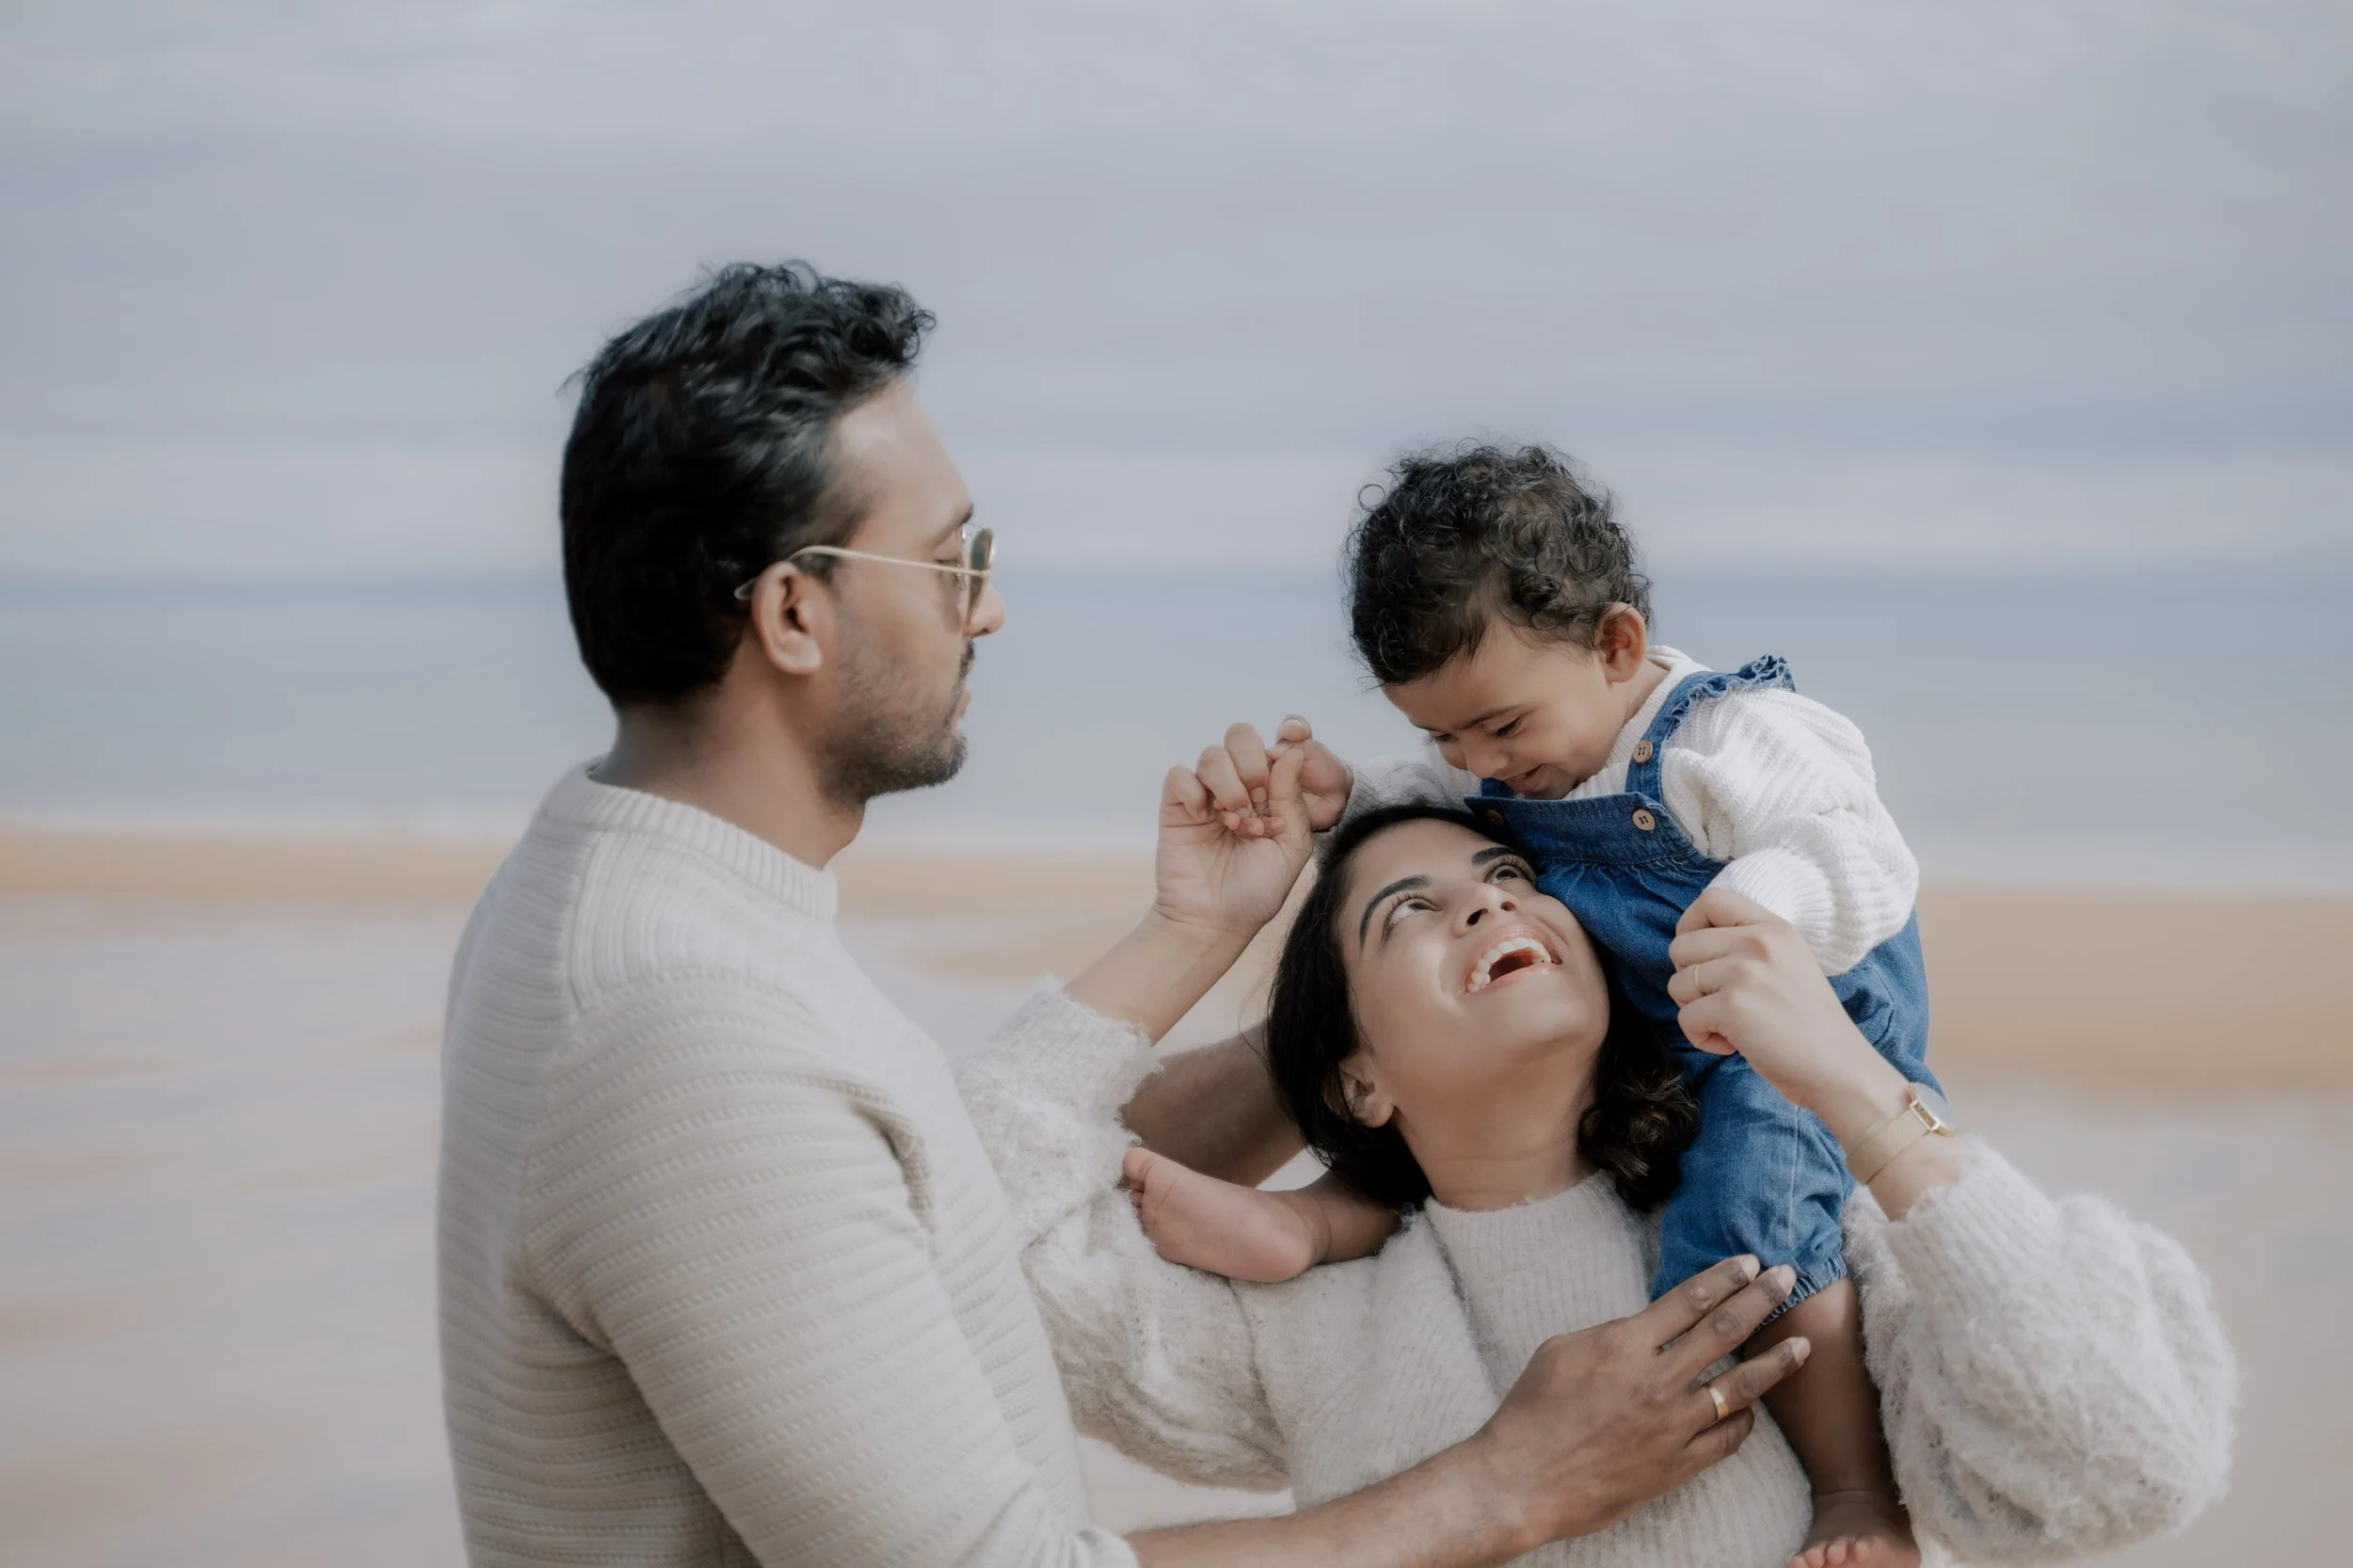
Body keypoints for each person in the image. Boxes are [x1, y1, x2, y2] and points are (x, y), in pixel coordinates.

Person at [436, 263, 1816, 1567]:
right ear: (794, 613)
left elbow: (944, 1217)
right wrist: (1508, 1482)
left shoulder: (625, 893)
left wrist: (1215, 936)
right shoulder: (685, 1032)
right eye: (948, 559)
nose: (989, 608)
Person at [964, 780, 2234, 1567]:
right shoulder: (1310, 1326)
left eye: (1511, 877)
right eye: (1404, 912)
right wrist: (1196, 926)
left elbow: (2132, 1464)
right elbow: (964, 1209)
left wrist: (1854, 1086)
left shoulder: (1792, 1239)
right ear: (1358, 1079)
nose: (1485, 909)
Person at [1120, 444, 1931, 1565]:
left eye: (1498, 728)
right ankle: (1309, 1221)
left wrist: (1754, 914)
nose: (1480, 764)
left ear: (1616, 645)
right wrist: (1349, 796)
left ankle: (1853, 1491)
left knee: (1746, 1223)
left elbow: (1859, 849)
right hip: (1666, 1021)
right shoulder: (1518, 756)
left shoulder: (1732, 738)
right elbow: (1437, 809)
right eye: (1442, 735)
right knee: (1483, 1145)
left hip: (1782, 1035)